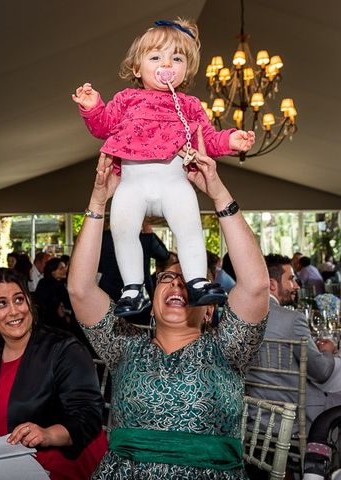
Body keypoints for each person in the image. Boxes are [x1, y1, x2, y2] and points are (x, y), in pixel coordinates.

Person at [67, 135, 269, 478]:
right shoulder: (123, 345)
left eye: (188, 280)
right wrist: (99, 202)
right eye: (165, 279)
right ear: (150, 298)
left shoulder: (229, 348)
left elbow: (256, 286)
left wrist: (218, 193)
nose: (177, 283)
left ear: (209, 308)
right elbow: (80, 289)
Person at [72, 18, 254, 317]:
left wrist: (231, 140)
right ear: (136, 67)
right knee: (123, 231)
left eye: (177, 58)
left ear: (186, 69)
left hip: (174, 182)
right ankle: (132, 289)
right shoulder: (126, 99)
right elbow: (102, 126)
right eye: (156, 57)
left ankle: (197, 281)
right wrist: (91, 107)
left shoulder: (191, 105)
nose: (166, 63)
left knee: (190, 229)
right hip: (132, 183)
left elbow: (207, 139)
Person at [0, 269, 107, 480]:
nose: (14, 311)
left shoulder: (65, 349)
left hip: (57, 463)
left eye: (19, 299)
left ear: (30, 302)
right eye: (2, 304)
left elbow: (89, 416)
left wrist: (48, 434)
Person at [245, 254, 338, 432]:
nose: (295, 286)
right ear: (272, 284)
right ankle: (322, 455)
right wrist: (328, 350)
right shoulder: (293, 319)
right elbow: (322, 372)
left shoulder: (238, 316)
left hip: (251, 415)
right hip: (290, 418)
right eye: (290, 279)